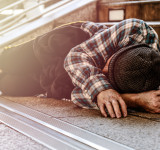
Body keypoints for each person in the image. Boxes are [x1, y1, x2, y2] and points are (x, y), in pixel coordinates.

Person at [64, 18, 160, 118]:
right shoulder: (135, 31)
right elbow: (74, 57)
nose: (102, 71)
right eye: (109, 64)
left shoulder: (147, 83)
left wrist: (134, 99)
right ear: (120, 50)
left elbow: (76, 96)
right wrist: (103, 90)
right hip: (80, 33)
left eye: (109, 76)